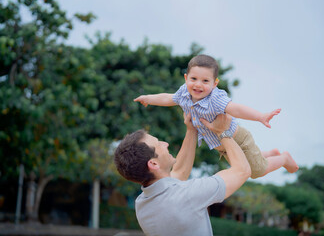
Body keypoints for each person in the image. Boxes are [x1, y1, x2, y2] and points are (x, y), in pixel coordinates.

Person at [134, 54, 298, 179]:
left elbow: (237, 109)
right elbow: (168, 98)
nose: (198, 84)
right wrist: (149, 98)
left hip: (238, 139)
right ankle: (269, 153)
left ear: (215, 83)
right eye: (194, 79)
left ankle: (283, 158)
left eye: (205, 81)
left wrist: (260, 116)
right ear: (186, 78)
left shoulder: (215, 98)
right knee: (247, 164)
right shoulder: (184, 92)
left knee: (256, 172)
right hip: (223, 147)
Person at [114, 113, 251, 236]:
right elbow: (242, 171)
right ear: (154, 164)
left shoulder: (142, 204)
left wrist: (192, 130)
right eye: (159, 144)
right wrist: (222, 132)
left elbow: (179, 173)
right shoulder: (188, 194)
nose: (165, 144)